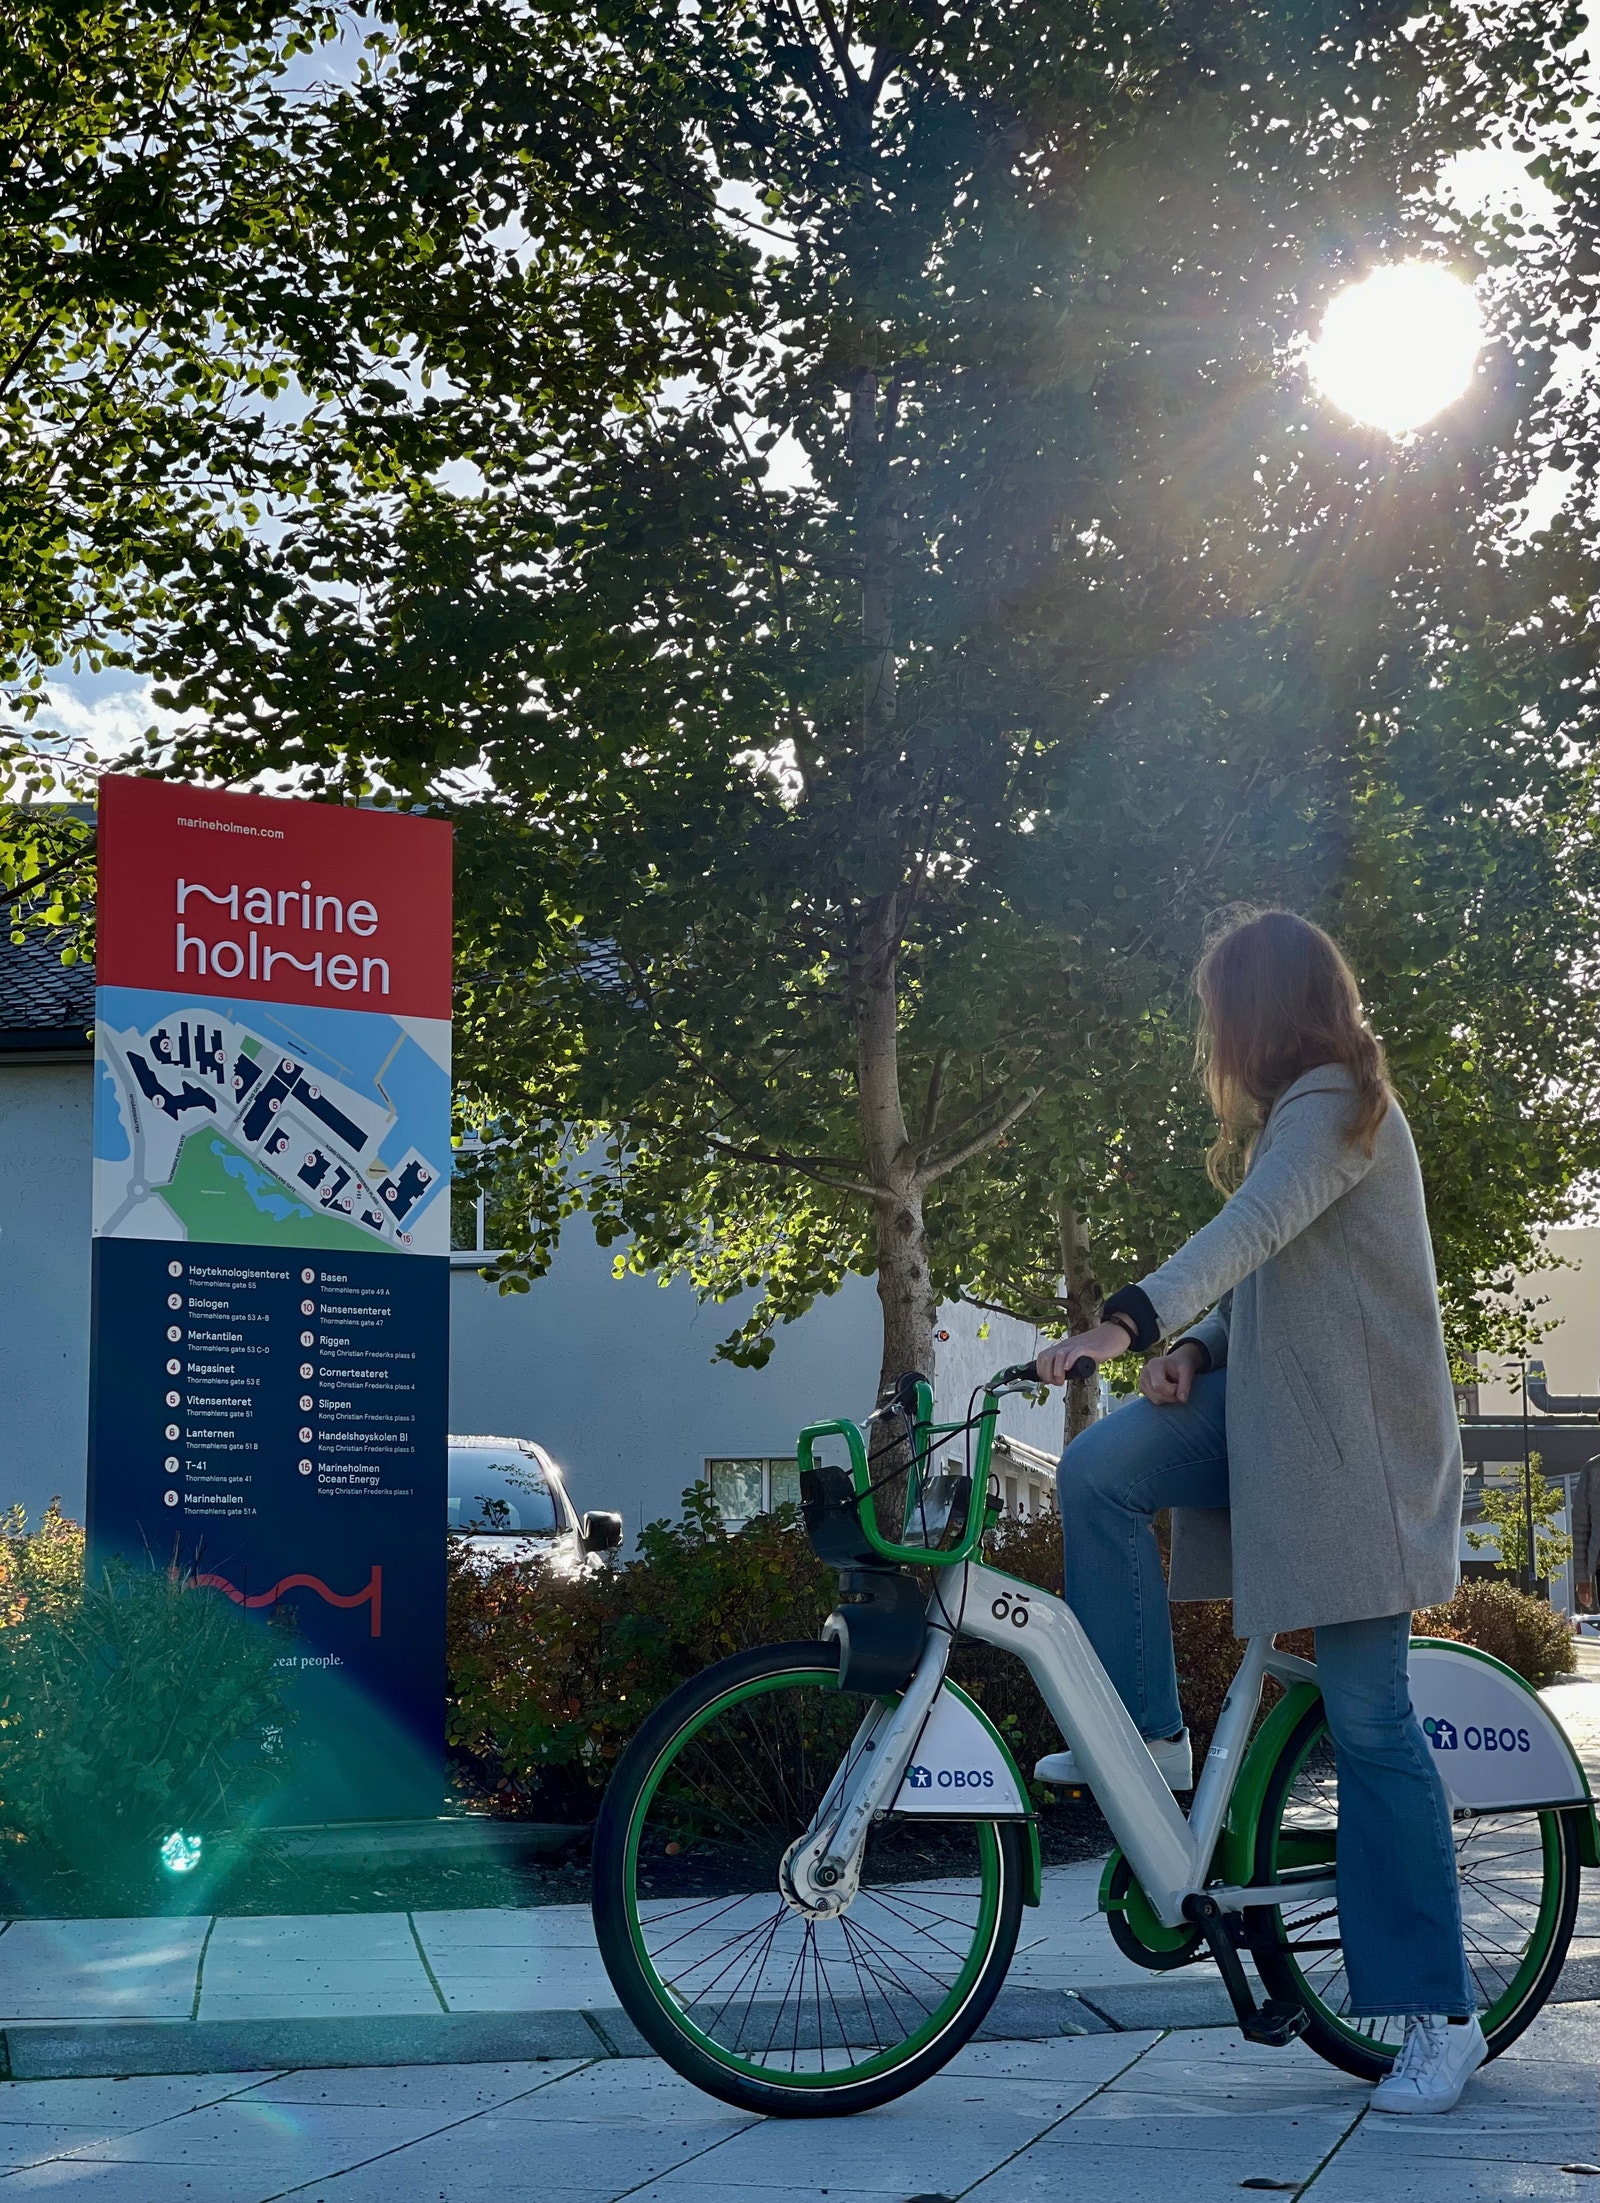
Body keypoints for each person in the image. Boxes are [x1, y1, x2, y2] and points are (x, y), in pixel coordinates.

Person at [1033, 907, 1481, 2115]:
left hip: (1358, 1462)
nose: (1208, 1041)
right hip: (1275, 1417)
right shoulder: (1300, 1120)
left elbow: (1255, 1230)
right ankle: (1146, 1735)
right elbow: (1290, 1281)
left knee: (1370, 1719)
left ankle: (1441, 2013)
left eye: (1215, 1015)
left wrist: (1128, 1323)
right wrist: (1200, 1351)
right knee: (1100, 1470)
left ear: (1257, 1015)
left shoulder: (1342, 1099)